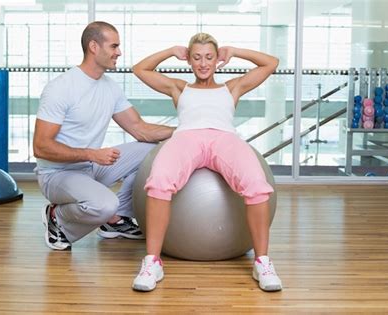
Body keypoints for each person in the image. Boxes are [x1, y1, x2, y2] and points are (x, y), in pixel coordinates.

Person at [131, 33, 282, 292]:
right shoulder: (179, 88)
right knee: (158, 182)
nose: (203, 63)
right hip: (186, 138)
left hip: (224, 138)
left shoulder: (231, 87)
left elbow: (271, 63)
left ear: (217, 60)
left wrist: (235, 50)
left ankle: (262, 262)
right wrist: (170, 50)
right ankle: (152, 263)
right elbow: (139, 69)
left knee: (257, 184)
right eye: (197, 57)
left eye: (209, 57)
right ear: (189, 60)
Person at [33, 21, 174, 251]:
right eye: (114, 46)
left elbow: (140, 129)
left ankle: (116, 220)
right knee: (104, 204)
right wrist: (91, 154)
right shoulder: (61, 88)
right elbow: (41, 147)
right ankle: (57, 218)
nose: (118, 52)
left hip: (90, 166)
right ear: (94, 47)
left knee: (152, 152)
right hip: (56, 174)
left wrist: (183, 129)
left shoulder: (110, 87)